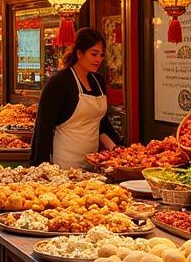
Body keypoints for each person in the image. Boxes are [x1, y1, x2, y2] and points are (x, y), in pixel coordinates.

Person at [30, 27, 122, 167]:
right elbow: (44, 128)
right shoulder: (60, 81)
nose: (99, 59)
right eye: (94, 54)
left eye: (102, 55)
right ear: (79, 53)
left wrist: (118, 150)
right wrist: (40, 167)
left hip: (93, 161)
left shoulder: (98, 81)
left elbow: (101, 124)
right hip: (64, 161)